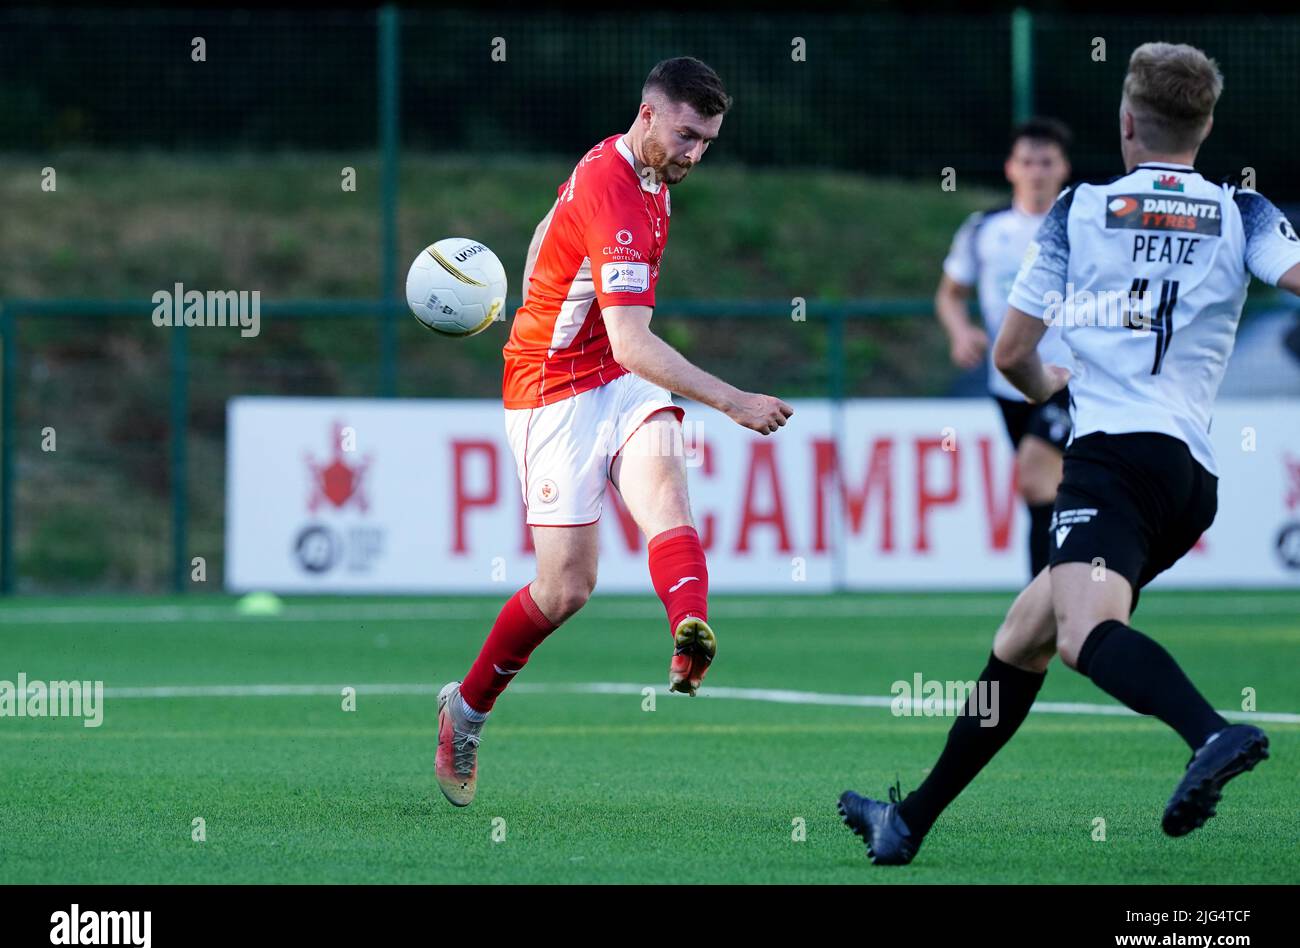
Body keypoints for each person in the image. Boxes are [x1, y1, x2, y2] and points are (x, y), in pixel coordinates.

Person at [840, 41, 1300, 864]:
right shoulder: (1244, 212)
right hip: (1190, 475)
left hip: (1110, 463)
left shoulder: (1079, 210)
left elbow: (1012, 354)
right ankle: (906, 821)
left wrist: (1052, 385)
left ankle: (1210, 734)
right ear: (1206, 124)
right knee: (1024, 636)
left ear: (1126, 121)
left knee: (1085, 635)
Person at [435, 57, 794, 807]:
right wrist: (732, 400)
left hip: (615, 377)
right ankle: (464, 711)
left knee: (666, 494)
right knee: (566, 588)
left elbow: (556, 240)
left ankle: (688, 626)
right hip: (551, 390)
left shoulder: (648, 174)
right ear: (648, 114)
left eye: (708, 141)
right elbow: (634, 339)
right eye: (687, 135)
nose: (696, 152)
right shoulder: (619, 190)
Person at [936, 118, 1075, 576]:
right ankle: (1066, 590)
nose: (1037, 171)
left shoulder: (1081, 225)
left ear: (1063, 169)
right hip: (1009, 380)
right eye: (1028, 161)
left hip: (1070, 378)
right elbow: (950, 293)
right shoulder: (985, 229)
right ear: (1010, 168)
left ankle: (1048, 598)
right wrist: (961, 332)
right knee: (1054, 490)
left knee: (1037, 479)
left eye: (1046, 162)